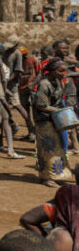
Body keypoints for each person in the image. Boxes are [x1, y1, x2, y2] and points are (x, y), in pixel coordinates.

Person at [34, 58, 76, 187]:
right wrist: (58, 110)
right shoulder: (44, 84)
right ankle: (48, 178)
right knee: (49, 150)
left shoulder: (57, 81)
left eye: (64, 71)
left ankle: (50, 176)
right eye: (60, 71)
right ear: (52, 71)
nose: (63, 73)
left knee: (55, 149)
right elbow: (41, 105)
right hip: (44, 121)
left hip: (53, 120)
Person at [4, 35, 36, 139]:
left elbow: (17, 71)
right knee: (3, 106)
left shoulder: (17, 54)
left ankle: (32, 129)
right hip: (3, 83)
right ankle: (13, 125)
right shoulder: (5, 52)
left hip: (12, 84)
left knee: (17, 105)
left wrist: (7, 80)